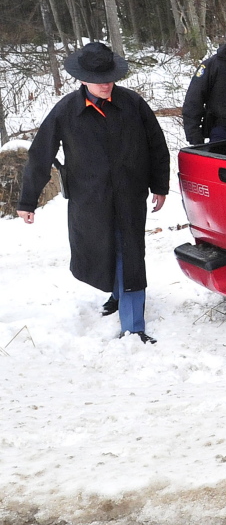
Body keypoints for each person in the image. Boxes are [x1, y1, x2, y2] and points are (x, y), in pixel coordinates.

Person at [17, 42, 170, 344]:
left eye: (109, 78)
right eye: (98, 79)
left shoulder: (133, 104)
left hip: (130, 194)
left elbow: (156, 145)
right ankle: (116, 292)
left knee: (131, 253)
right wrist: (27, 200)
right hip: (90, 199)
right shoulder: (66, 111)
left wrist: (160, 185)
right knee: (102, 250)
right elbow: (40, 155)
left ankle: (133, 325)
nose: (105, 84)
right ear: (83, 79)